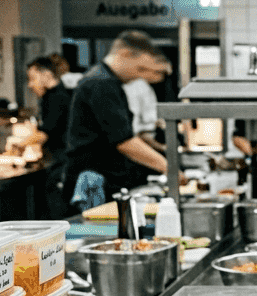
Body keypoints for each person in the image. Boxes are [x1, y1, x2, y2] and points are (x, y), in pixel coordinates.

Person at [64, 30, 176, 205]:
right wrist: (168, 167)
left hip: (102, 177)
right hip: (91, 182)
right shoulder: (101, 83)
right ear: (125, 54)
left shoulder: (109, 81)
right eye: (140, 69)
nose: (141, 77)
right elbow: (123, 140)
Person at [11, 56, 73, 216]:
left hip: (61, 164)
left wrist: (19, 145)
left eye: (32, 79)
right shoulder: (52, 96)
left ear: (46, 75)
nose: (30, 85)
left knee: (59, 215)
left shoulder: (57, 98)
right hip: (58, 162)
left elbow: (44, 134)